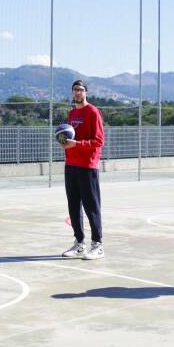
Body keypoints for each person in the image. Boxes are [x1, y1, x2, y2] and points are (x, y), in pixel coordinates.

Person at [59, 79, 106, 260]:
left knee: (91, 207)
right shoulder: (72, 114)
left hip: (88, 166)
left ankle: (98, 245)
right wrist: (65, 143)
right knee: (73, 207)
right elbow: (71, 139)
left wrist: (77, 144)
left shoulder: (93, 112)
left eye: (80, 90)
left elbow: (99, 141)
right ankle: (79, 243)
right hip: (71, 165)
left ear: (86, 92)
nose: (77, 93)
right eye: (74, 90)